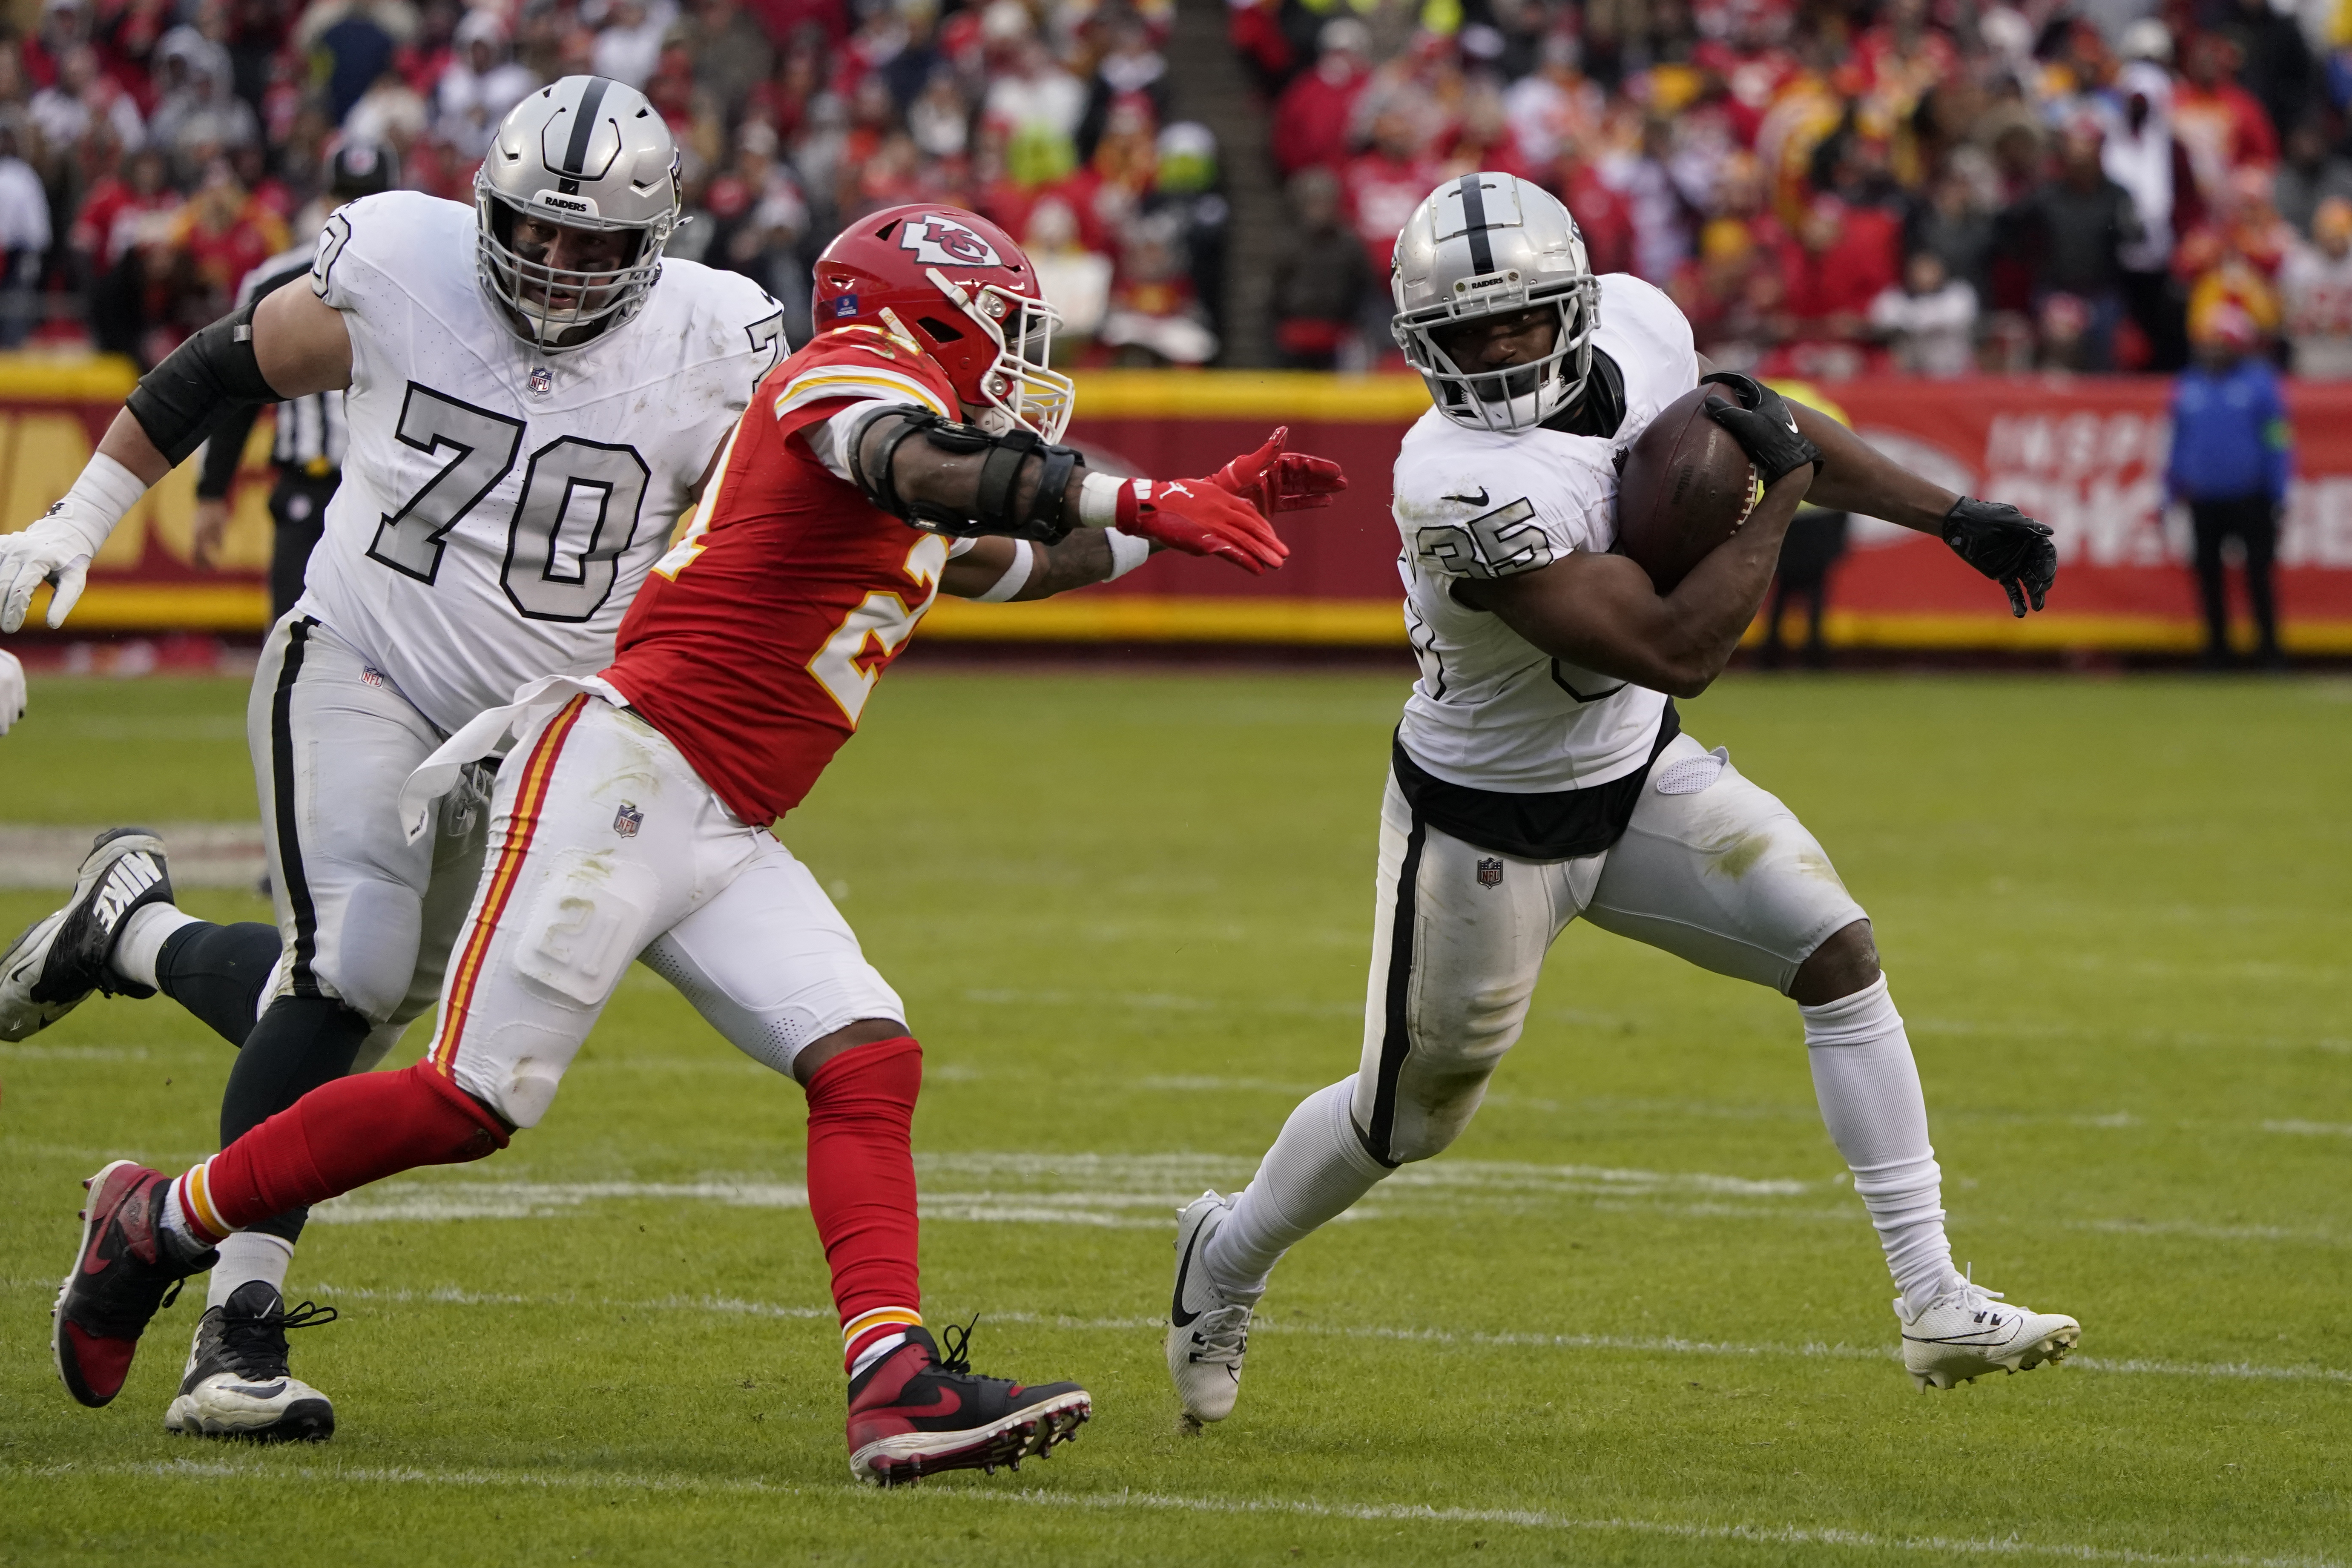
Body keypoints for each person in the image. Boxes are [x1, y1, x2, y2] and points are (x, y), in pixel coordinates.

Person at [46, 202, 1334, 1485]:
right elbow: (913, 468)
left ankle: (890, 1382)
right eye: (999, 327)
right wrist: (1144, 495)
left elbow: (1012, 550)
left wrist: (1177, 509)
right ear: (924, 315)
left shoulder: (913, 436)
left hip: (722, 814)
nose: (1013, 356)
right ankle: (157, 1225)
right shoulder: (851, 380)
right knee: (469, 1099)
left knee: (865, 1057)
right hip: (629, 773)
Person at [1164, 173, 2079, 1431]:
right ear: (1418, 343)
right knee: (1404, 1118)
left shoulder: (1643, 327)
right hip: (1487, 820)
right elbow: (1673, 645)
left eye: (1517, 322)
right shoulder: (1453, 479)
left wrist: (1946, 514)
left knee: (1836, 954)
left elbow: (1762, 418)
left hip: (1635, 768)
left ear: (1580, 306)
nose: (1492, 352)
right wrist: (1783, 497)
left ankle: (1931, 1299)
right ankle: (1223, 1255)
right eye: (1464, 332)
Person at [0, 77, 791, 1444]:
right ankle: (232, 1334)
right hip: (363, 658)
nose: (555, 266)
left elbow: (798, 513)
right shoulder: (406, 262)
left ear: (653, 245)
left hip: (540, 731)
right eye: (534, 230)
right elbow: (219, 364)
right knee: (350, 967)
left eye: (595, 244)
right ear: (485, 207)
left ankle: (127, 933)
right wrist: (75, 519)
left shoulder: (716, 340)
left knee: (368, 1029)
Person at [188, 140, 394, 622]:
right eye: (345, 196)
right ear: (324, 202)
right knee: (291, 635)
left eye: (367, 197)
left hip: (392, 491)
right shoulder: (277, 281)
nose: (354, 210)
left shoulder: (423, 283)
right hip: (312, 482)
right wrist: (212, 491)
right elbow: (236, 389)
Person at [2167, 301, 2292, 668]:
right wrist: (2171, 489)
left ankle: (2268, 651)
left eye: (2221, 342)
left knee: (2258, 576)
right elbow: (2177, 442)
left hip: (2250, 496)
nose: (2213, 349)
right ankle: (2216, 651)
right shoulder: (2188, 385)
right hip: (2203, 497)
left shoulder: (2260, 384)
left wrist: (2279, 488)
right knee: (2208, 578)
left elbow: (2277, 440)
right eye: (2209, 342)